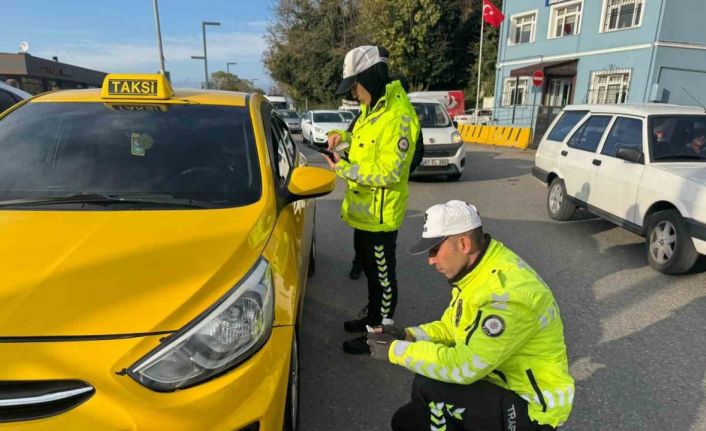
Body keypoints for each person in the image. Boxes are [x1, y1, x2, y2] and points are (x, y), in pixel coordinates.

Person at [367, 200, 574, 430]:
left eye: (435, 249)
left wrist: (394, 350)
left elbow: (464, 366)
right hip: (495, 383)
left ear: (463, 244)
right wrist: (407, 335)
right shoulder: (477, 273)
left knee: (428, 387)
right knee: (406, 421)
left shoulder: (508, 295)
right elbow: (451, 328)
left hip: (531, 408)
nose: (430, 259)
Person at [325, 45, 420, 354]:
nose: (354, 93)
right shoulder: (373, 108)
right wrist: (343, 137)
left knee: (382, 276)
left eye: (355, 85)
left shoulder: (399, 116)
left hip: (381, 217)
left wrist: (344, 169)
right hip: (364, 213)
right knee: (368, 268)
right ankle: (372, 316)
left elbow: (390, 172)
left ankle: (379, 335)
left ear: (371, 77)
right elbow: (365, 141)